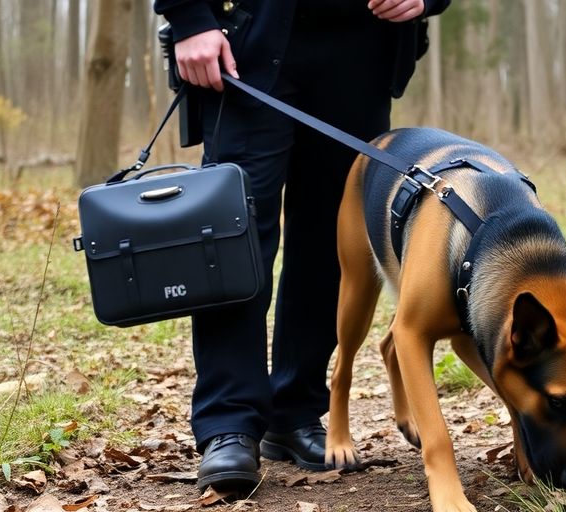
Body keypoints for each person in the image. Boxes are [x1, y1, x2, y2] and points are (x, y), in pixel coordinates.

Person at [152, 0, 450, 492]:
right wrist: (188, 19)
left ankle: (294, 411)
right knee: (233, 236)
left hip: (362, 55)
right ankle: (228, 423)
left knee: (329, 244)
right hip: (245, 41)